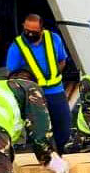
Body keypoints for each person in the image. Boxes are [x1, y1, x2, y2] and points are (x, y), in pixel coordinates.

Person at [6, 14, 71, 148]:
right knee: (39, 134)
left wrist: (52, 75)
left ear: (41, 30)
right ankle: (44, 157)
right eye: (27, 30)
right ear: (23, 27)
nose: (30, 34)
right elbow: (11, 75)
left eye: (34, 32)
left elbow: (62, 61)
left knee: (63, 131)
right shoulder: (16, 47)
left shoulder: (54, 39)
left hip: (56, 91)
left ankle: (58, 154)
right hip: (33, 96)